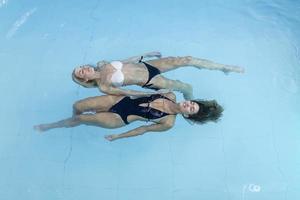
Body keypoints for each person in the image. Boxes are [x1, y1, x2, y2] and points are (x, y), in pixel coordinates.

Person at [34, 92, 224, 141]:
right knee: (78, 106)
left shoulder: (168, 122)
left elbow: (142, 130)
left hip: (119, 119)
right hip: (118, 100)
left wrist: (118, 136)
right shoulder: (170, 94)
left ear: (188, 116)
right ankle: (72, 122)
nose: (188, 105)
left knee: (82, 118)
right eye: (192, 103)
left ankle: (52, 126)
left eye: (190, 109)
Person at [72, 52, 244, 100]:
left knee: (187, 59)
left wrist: (146, 55)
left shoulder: (103, 64)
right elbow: (128, 93)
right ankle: (190, 99)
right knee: (184, 86)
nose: (84, 68)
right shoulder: (103, 86)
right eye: (81, 72)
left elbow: (125, 61)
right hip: (150, 80)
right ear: (85, 80)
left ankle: (224, 68)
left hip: (148, 65)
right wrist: (151, 94)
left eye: (81, 66)